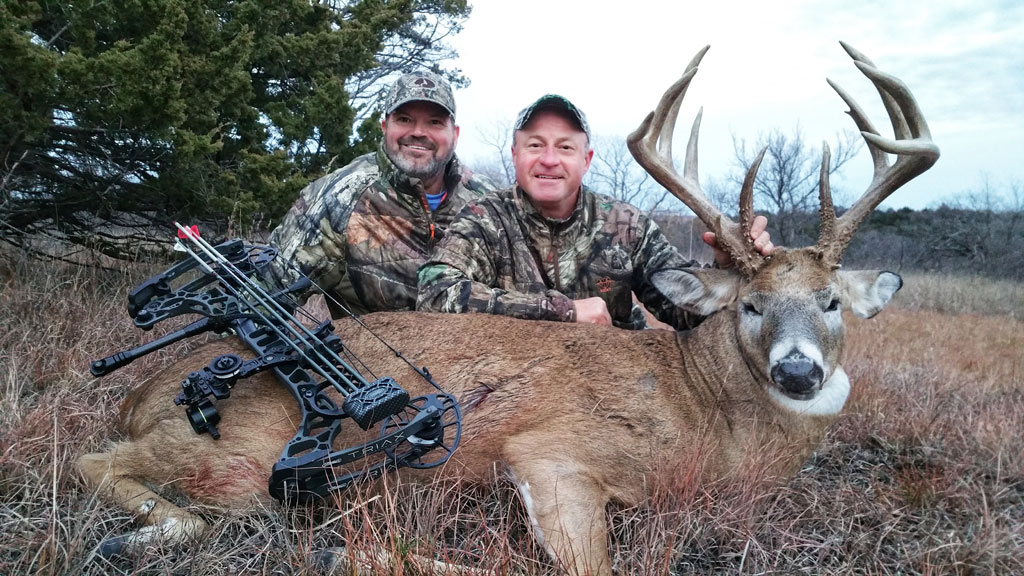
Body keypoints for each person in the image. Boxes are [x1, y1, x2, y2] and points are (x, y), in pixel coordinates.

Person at [416, 94, 773, 330]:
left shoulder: (626, 225)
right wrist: (563, 312)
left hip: (614, 384)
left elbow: (683, 311)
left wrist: (729, 266)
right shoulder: (484, 219)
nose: (549, 160)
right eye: (535, 145)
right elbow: (434, 293)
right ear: (515, 155)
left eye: (565, 147)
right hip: (514, 386)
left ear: (586, 160)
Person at [266, 71, 495, 318]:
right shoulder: (340, 195)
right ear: (385, 127)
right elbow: (269, 292)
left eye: (435, 122)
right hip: (369, 353)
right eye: (405, 119)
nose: (418, 132)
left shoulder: (486, 201)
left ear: (455, 134)